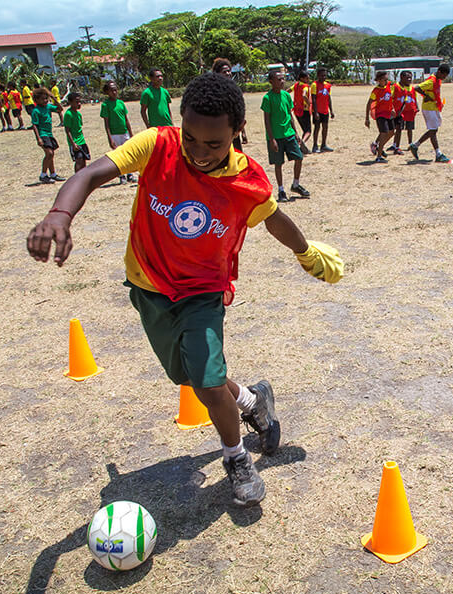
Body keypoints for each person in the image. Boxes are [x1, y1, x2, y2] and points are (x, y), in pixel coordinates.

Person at [25, 72, 343, 507]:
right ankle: (254, 401)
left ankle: (236, 459)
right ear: (181, 123)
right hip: (149, 285)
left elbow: (272, 218)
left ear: (237, 132)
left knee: (208, 382)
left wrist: (306, 252)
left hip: (204, 292)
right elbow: (94, 173)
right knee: (192, 378)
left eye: (214, 145)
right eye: (191, 138)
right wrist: (60, 214)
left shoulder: (247, 180)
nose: (199, 153)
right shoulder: (158, 144)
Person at [262, 70, 310, 202]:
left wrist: (295, 133)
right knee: (278, 163)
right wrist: (272, 139)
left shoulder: (286, 96)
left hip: (288, 134)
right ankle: (281, 190)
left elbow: (290, 116)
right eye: (279, 79)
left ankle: (295, 184)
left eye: (283, 79)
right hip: (276, 136)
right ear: (271, 82)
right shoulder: (267, 98)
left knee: (299, 157)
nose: (282, 81)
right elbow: (267, 120)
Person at [409, 63, 451, 163]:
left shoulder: (437, 80)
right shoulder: (431, 81)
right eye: (444, 76)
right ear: (439, 72)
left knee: (434, 130)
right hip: (429, 108)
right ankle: (438, 154)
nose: (444, 78)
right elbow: (417, 88)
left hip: (434, 107)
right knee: (433, 130)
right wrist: (425, 96)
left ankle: (416, 146)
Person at [100, 80, 134, 185]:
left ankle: (130, 174)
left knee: (128, 154)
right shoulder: (105, 105)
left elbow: (126, 119)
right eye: (111, 90)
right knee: (119, 155)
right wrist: (110, 138)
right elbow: (106, 123)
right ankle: (121, 175)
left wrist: (130, 133)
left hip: (124, 132)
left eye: (115, 90)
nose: (114, 92)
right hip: (115, 134)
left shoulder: (121, 103)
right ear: (107, 92)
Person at [30, 87, 65, 184]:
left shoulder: (48, 107)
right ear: (36, 100)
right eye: (43, 99)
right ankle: (43, 175)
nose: (45, 100)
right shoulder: (36, 111)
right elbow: (34, 125)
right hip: (43, 134)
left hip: (49, 134)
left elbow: (60, 109)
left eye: (46, 98)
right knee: (49, 153)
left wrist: (53, 98)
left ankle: (53, 174)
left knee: (51, 154)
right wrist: (39, 138)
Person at [212, 58, 245, 152]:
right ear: (217, 74)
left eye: (229, 71)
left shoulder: (234, 90)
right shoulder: (213, 91)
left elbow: (239, 112)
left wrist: (242, 132)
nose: (228, 73)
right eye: (224, 72)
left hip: (234, 131)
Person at [364, 71, 395, 164]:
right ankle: (379, 156)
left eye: (387, 79)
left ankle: (377, 145)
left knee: (391, 132)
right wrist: (367, 118)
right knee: (383, 133)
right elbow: (369, 103)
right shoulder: (376, 91)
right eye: (384, 80)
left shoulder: (389, 86)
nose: (386, 81)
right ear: (378, 80)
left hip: (389, 114)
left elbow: (390, 99)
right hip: (380, 115)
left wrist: (392, 108)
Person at [391, 71, 418, 155]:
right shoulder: (396, 87)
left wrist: (416, 107)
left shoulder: (412, 88)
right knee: (398, 129)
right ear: (401, 77)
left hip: (410, 111)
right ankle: (395, 145)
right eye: (407, 78)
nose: (409, 79)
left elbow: (415, 98)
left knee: (409, 128)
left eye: (410, 78)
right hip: (400, 111)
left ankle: (410, 144)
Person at [63, 92, 90, 174]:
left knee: (84, 160)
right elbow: (67, 130)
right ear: (70, 102)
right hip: (75, 142)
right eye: (76, 102)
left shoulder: (78, 114)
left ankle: (84, 177)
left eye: (79, 101)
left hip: (82, 141)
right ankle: (77, 178)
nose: (79, 104)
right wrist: (73, 143)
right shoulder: (68, 114)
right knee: (79, 160)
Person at [310, 68, 334, 153]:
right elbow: (313, 99)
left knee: (325, 127)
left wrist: (331, 110)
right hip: (317, 111)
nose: (324, 77)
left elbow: (329, 98)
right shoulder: (314, 85)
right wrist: (315, 112)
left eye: (325, 75)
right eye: (322, 75)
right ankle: (315, 145)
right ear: (318, 76)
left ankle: (324, 145)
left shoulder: (327, 85)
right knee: (317, 128)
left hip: (325, 111)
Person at [292, 69, 313, 152]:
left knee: (304, 129)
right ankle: (302, 143)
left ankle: (302, 147)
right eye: (307, 78)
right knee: (308, 130)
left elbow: (288, 91)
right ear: (302, 78)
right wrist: (309, 104)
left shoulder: (296, 85)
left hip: (297, 110)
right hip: (304, 110)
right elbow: (304, 95)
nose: (308, 80)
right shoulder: (305, 86)